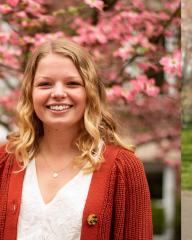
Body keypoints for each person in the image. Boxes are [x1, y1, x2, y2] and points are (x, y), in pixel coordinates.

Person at [0, 39, 153, 239]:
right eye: (45, 84)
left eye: (72, 83)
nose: (58, 93)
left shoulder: (124, 168)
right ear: (30, 92)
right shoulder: (4, 161)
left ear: (90, 93)